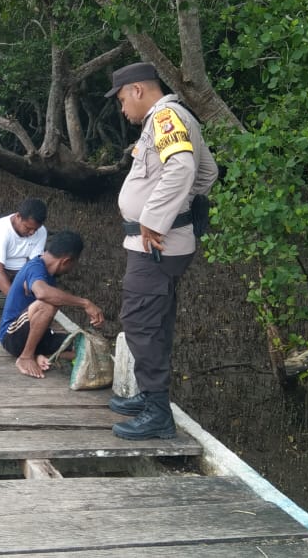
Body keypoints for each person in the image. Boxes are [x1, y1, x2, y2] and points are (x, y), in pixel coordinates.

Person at [103, 62, 218, 440]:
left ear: (137, 90)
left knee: (140, 322)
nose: (123, 110)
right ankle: (150, 397)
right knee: (156, 320)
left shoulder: (166, 117)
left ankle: (157, 413)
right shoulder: (179, 116)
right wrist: (186, 206)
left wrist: (156, 218)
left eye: (122, 100)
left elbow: (184, 168)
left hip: (154, 245)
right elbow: (208, 172)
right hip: (162, 243)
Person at [0, 230, 105, 378]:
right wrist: (85, 303)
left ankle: (40, 355)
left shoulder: (50, 273)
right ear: (66, 261)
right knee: (48, 303)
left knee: (85, 346)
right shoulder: (35, 267)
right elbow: (42, 293)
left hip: (39, 336)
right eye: (74, 264)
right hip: (11, 336)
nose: (72, 269)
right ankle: (26, 357)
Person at [0, 198, 48, 319]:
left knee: (44, 266)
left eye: (35, 229)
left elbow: (35, 263)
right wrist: (18, 305)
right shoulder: (1, 230)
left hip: (21, 271)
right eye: (28, 228)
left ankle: (27, 303)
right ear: (18, 217)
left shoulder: (41, 232)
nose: (32, 232)